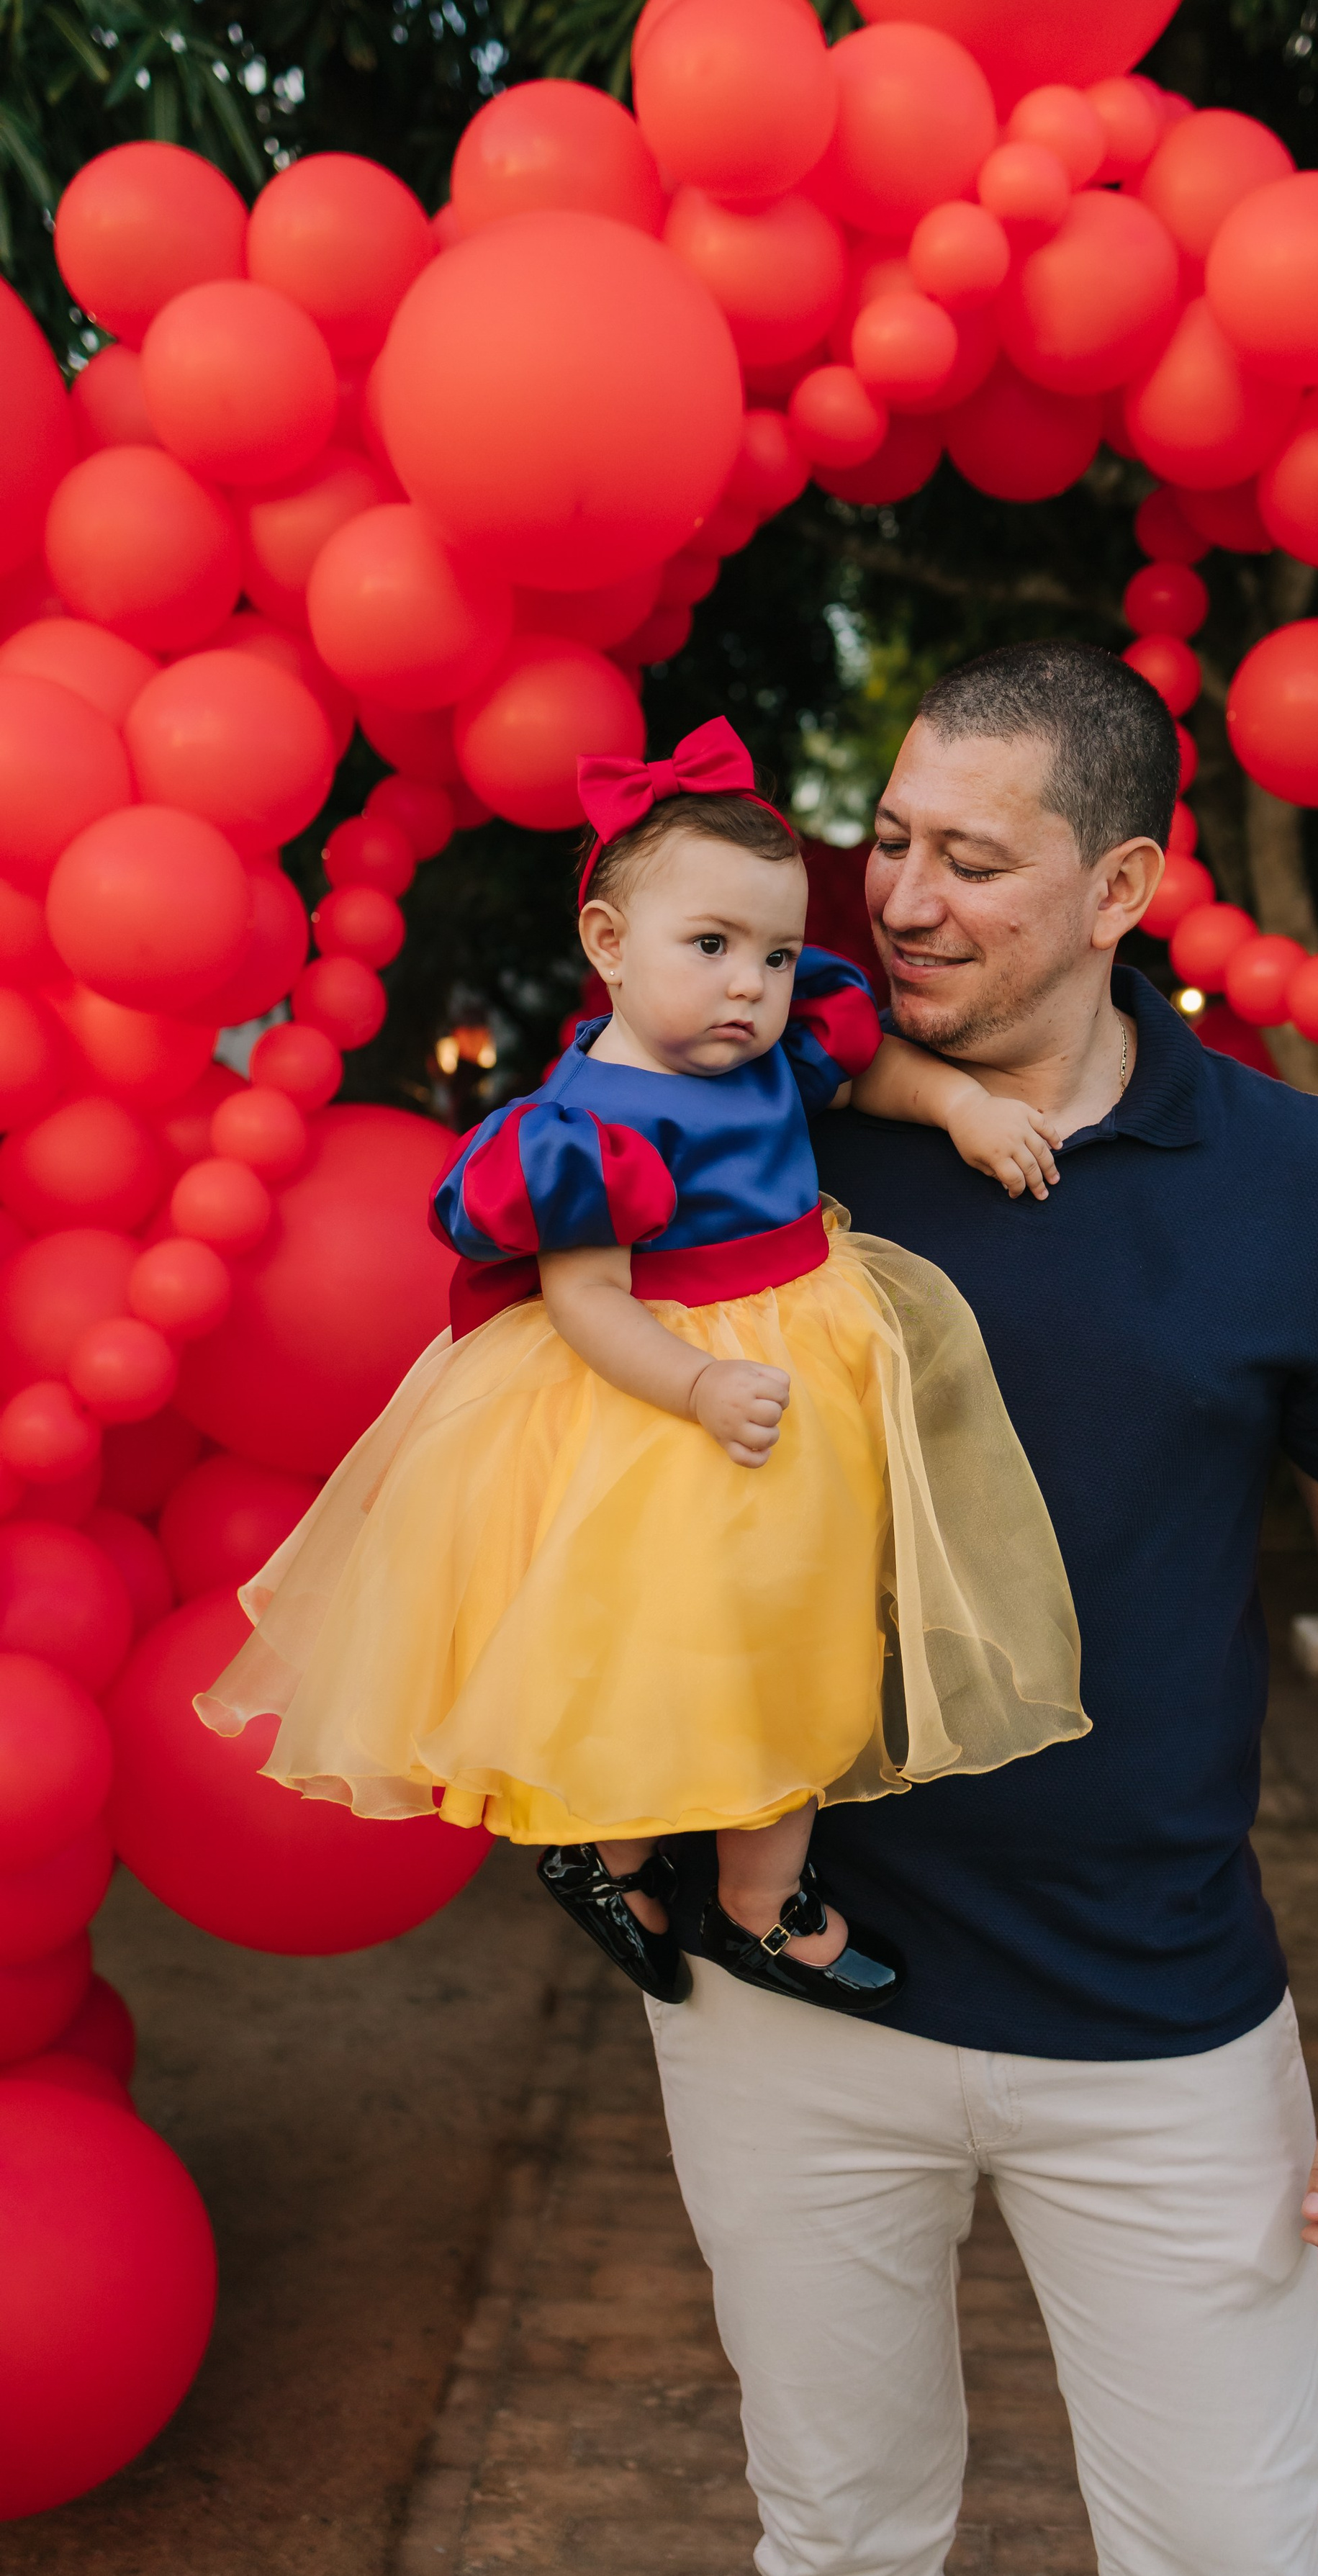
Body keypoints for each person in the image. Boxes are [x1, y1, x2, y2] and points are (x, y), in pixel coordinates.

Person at [648, 644, 1318, 2576]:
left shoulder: (1299, 1179)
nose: (905, 901)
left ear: (1120, 888)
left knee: (1226, 2557)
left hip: (1161, 2020)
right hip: (790, 2002)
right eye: (889, 843)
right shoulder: (751, 1129)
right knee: (839, 2541)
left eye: (976, 861)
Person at [197, 716, 1087, 2017]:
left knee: (812, 1636)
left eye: (777, 956)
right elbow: (588, 1305)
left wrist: (962, 1105)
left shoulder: (771, 1042)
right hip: (654, 1395)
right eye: (713, 948)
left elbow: (864, 1073)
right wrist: (696, 1386)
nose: (751, 987)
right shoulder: (589, 1129)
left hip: (806, 1355)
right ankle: (611, 1856)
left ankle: (754, 1904)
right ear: (609, 946)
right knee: (655, 1650)